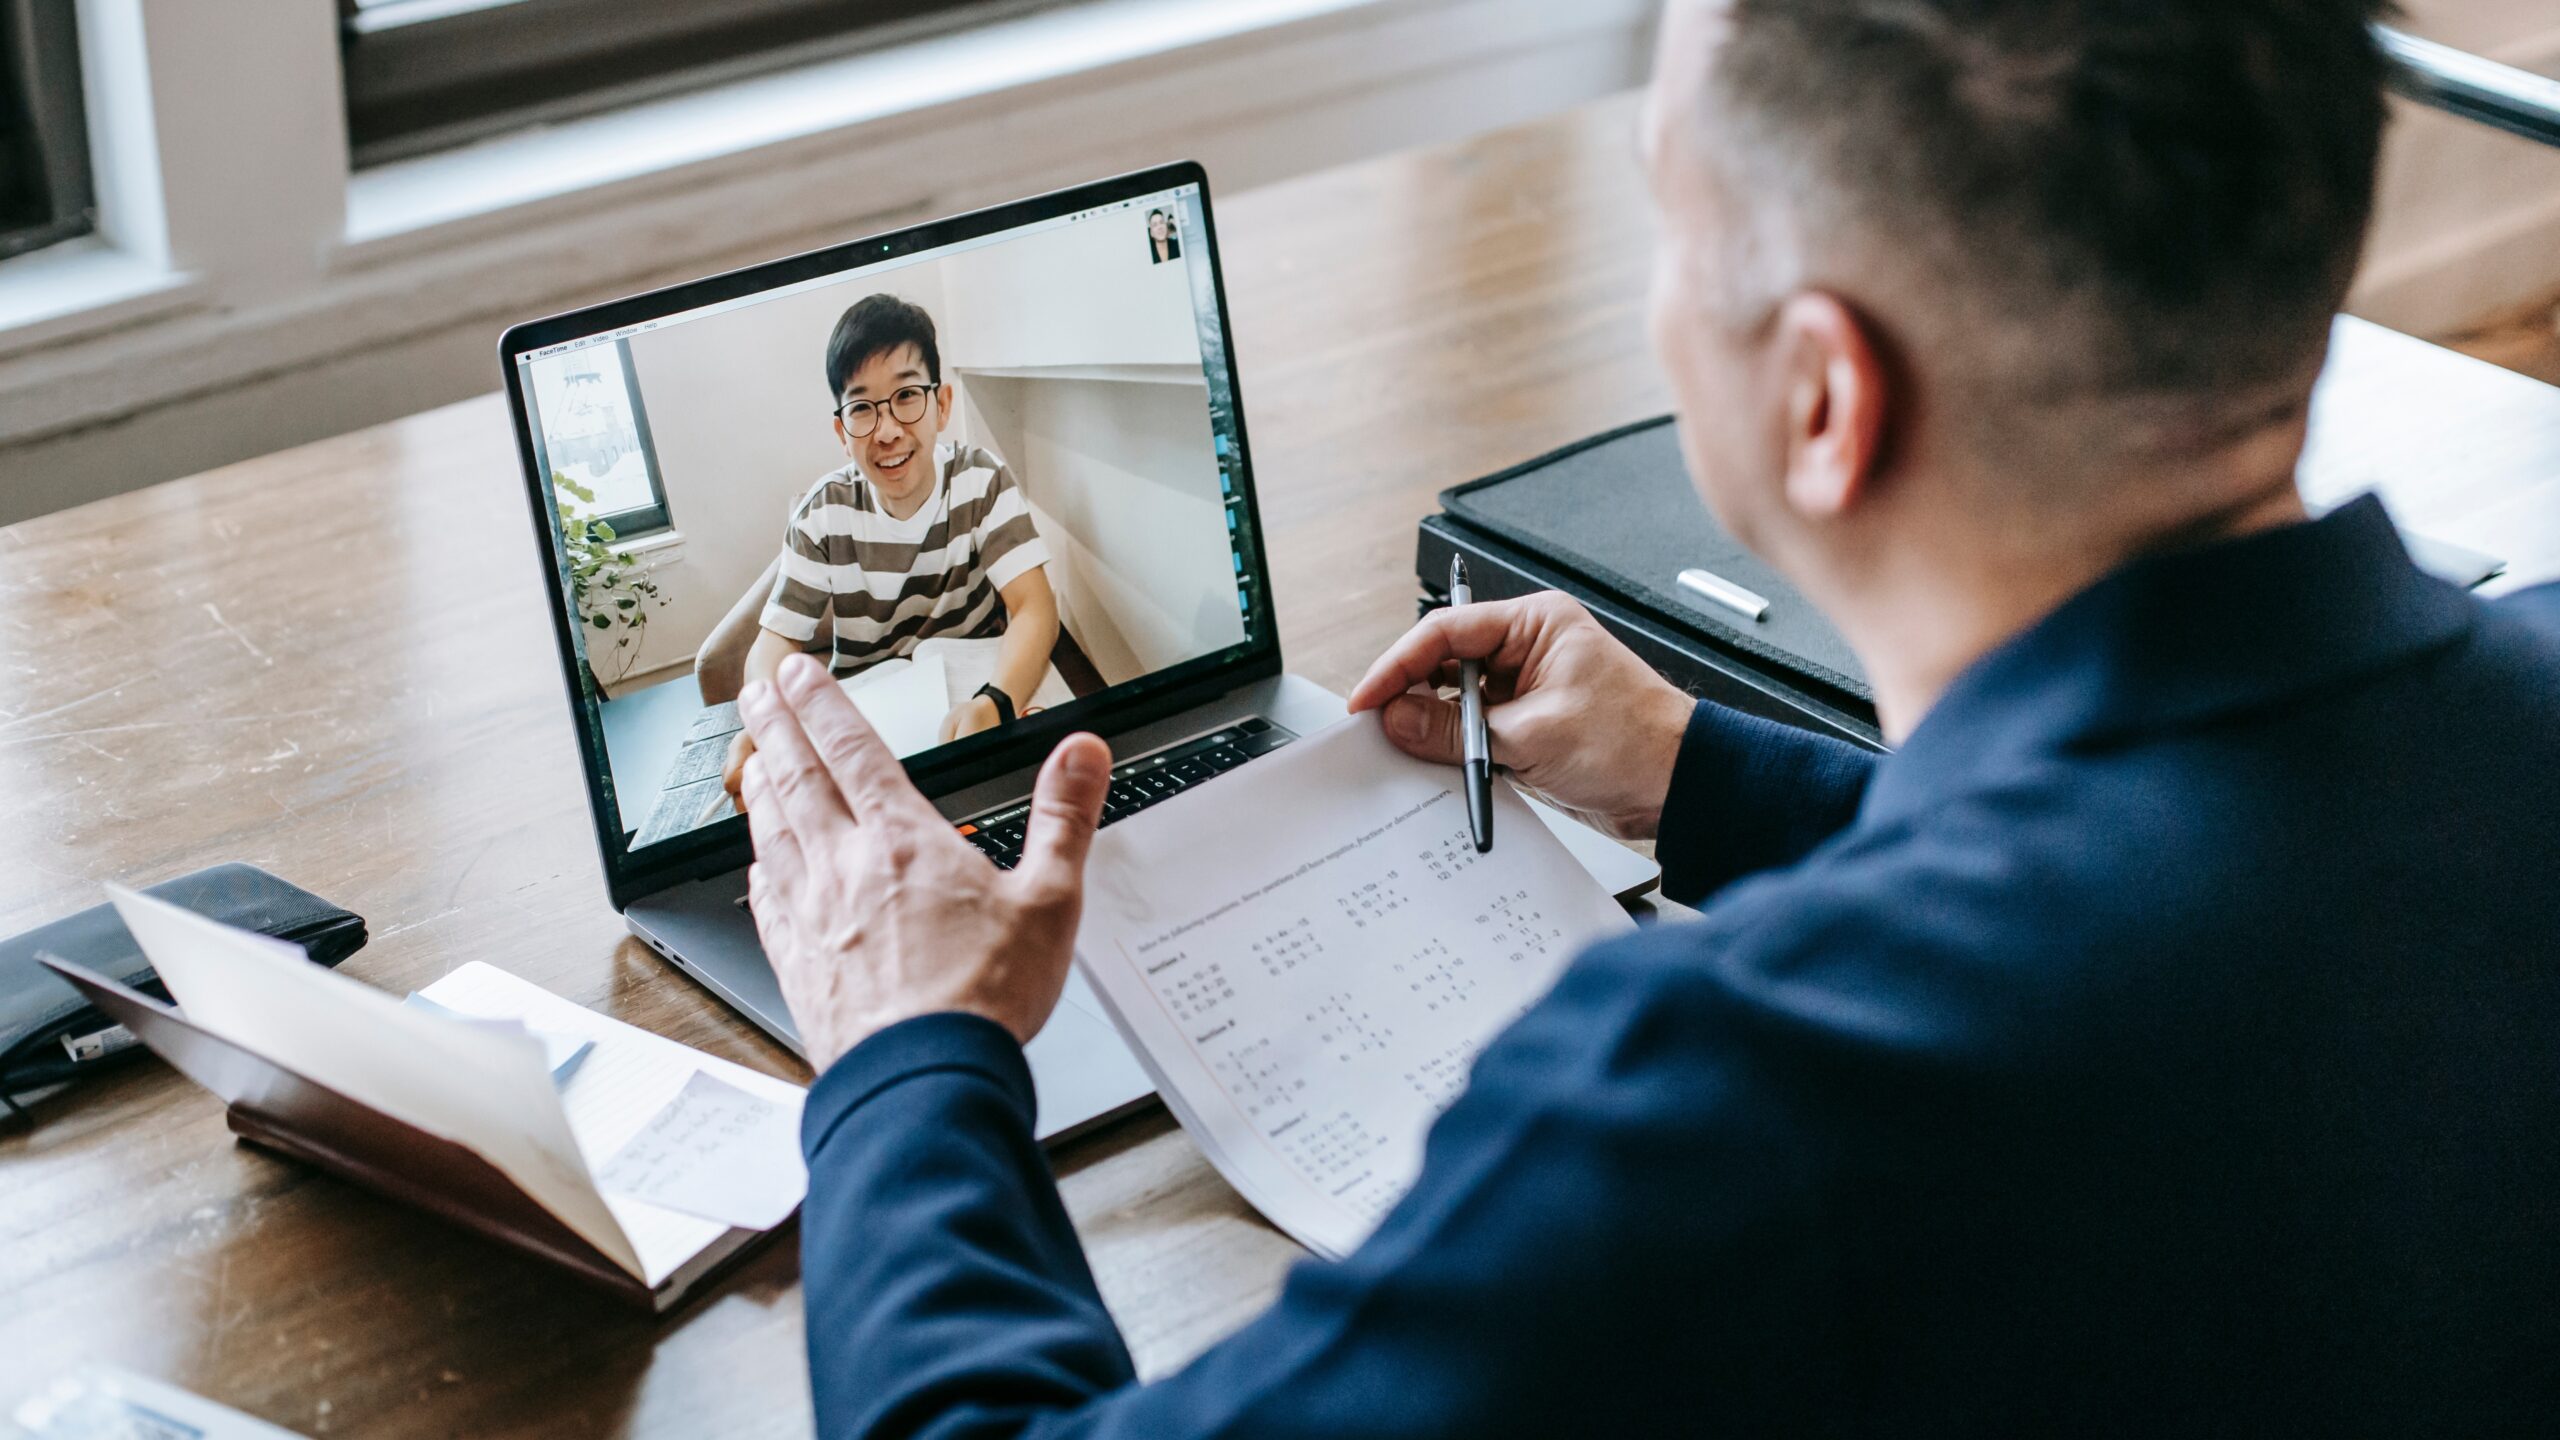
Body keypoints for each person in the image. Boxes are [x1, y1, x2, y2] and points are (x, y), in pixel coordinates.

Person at [735, 0, 2560, 1432]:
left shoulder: (1740, 1112)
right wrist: (1706, 777)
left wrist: (906, 1049)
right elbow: (2213, 873)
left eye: (1670, 210)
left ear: (1823, 398)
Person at [723, 293, 1058, 798]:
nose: (887, 431)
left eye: (906, 396)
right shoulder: (821, 514)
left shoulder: (981, 480)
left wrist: (997, 701)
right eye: (862, 408)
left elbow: (1034, 606)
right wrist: (766, 717)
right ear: (842, 430)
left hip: (976, 715)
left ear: (941, 404)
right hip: (869, 737)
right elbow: (775, 642)